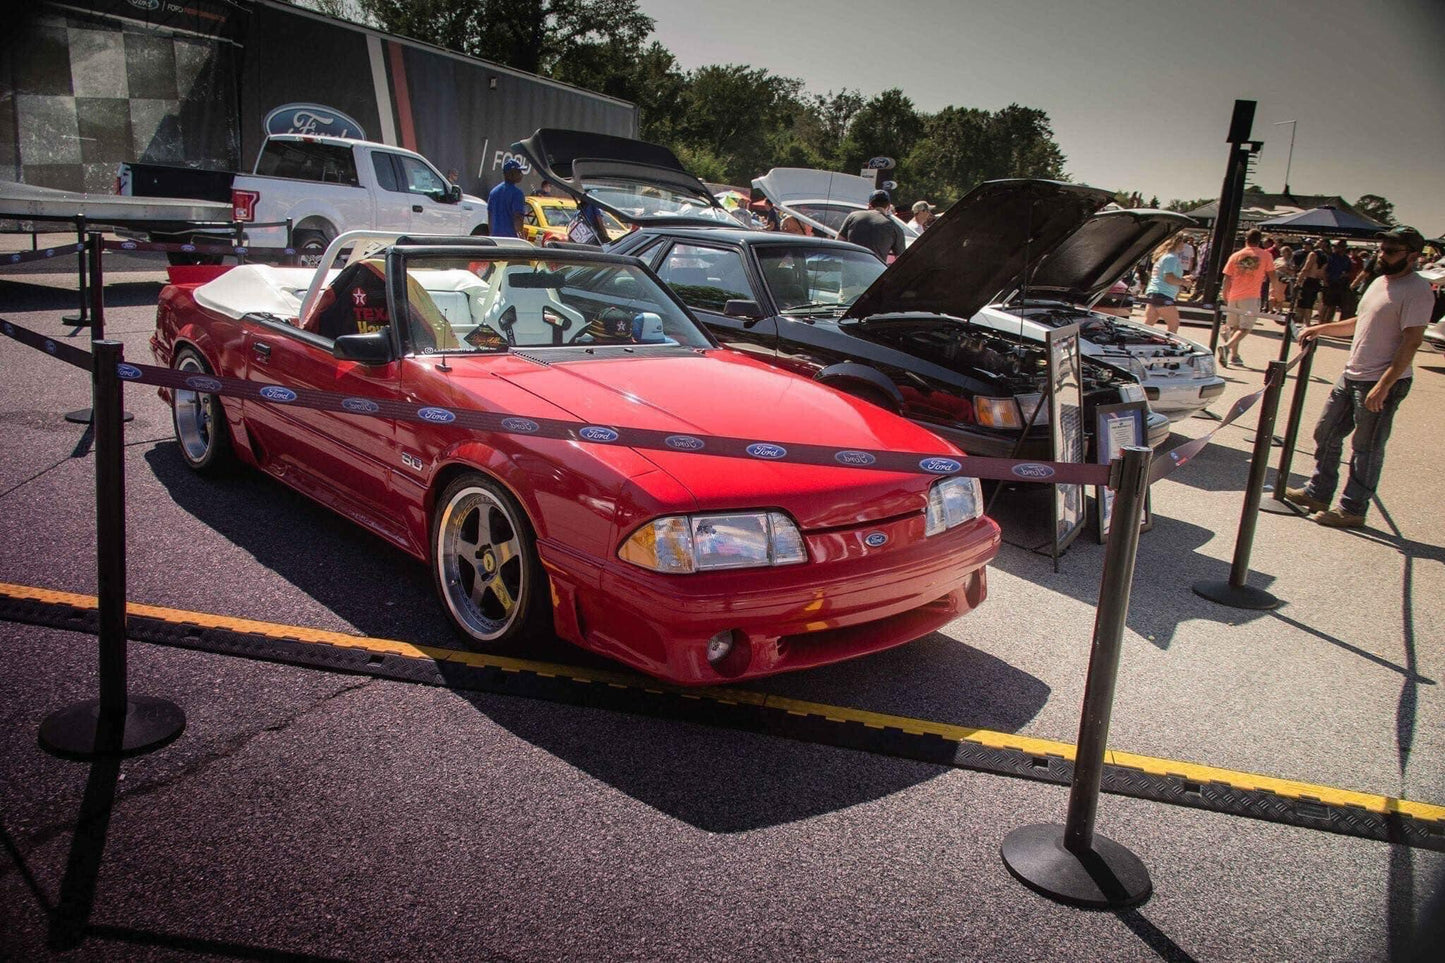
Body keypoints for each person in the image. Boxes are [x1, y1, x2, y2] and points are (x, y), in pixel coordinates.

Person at [1283, 226, 1432, 528]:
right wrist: (1320, 328)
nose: (1382, 255)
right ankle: (1318, 492)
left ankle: (1352, 509)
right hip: (1352, 374)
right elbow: (1362, 321)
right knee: (1325, 432)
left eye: (1391, 251)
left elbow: (1412, 340)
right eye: (1382, 248)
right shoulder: (1379, 282)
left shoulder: (1417, 290)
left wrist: (1384, 384)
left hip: (1380, 381)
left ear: (1413, 256)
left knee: (1366, 448)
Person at [1218, 228, 1277, 367]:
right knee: (1246, 328)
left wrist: (1225, 294)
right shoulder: (1265, 255)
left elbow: (1227, 277)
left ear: (1246, 239)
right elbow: (1273, 275)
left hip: (1234, 295)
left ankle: (1235, 355)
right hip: (1251, 296)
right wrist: (1274, 292)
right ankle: (1227, 347)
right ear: (1260, 241)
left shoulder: (1236, 255)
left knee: (1235, 326)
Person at [838, 190, 906, 262]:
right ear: (888, 207)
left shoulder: (853, 216)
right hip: (875, 270)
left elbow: (839, 242)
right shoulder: (895, 228)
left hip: (850, 266)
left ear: (869, 205)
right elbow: (901, 260)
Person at [1143, 235, 1189, 333]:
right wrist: (1184, 282)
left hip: (1154, 292)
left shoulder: (1164, 256)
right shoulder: (1171, 258)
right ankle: (1170, 345)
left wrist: (1181, 279)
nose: (1184, 245)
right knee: (1174, 325)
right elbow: (1169, 278)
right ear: (1177, 242)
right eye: (1183, 242)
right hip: (1163, 294)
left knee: (1148, 325)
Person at [487, 158, 527, 239]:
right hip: (511, 240)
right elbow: (518, 218)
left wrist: (492, 235)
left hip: (495, 239)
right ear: (511, 174)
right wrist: (521, 239)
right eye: (518, 171)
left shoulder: (493, 192)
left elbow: (490, 217)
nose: (521, 174)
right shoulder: (517, 193)